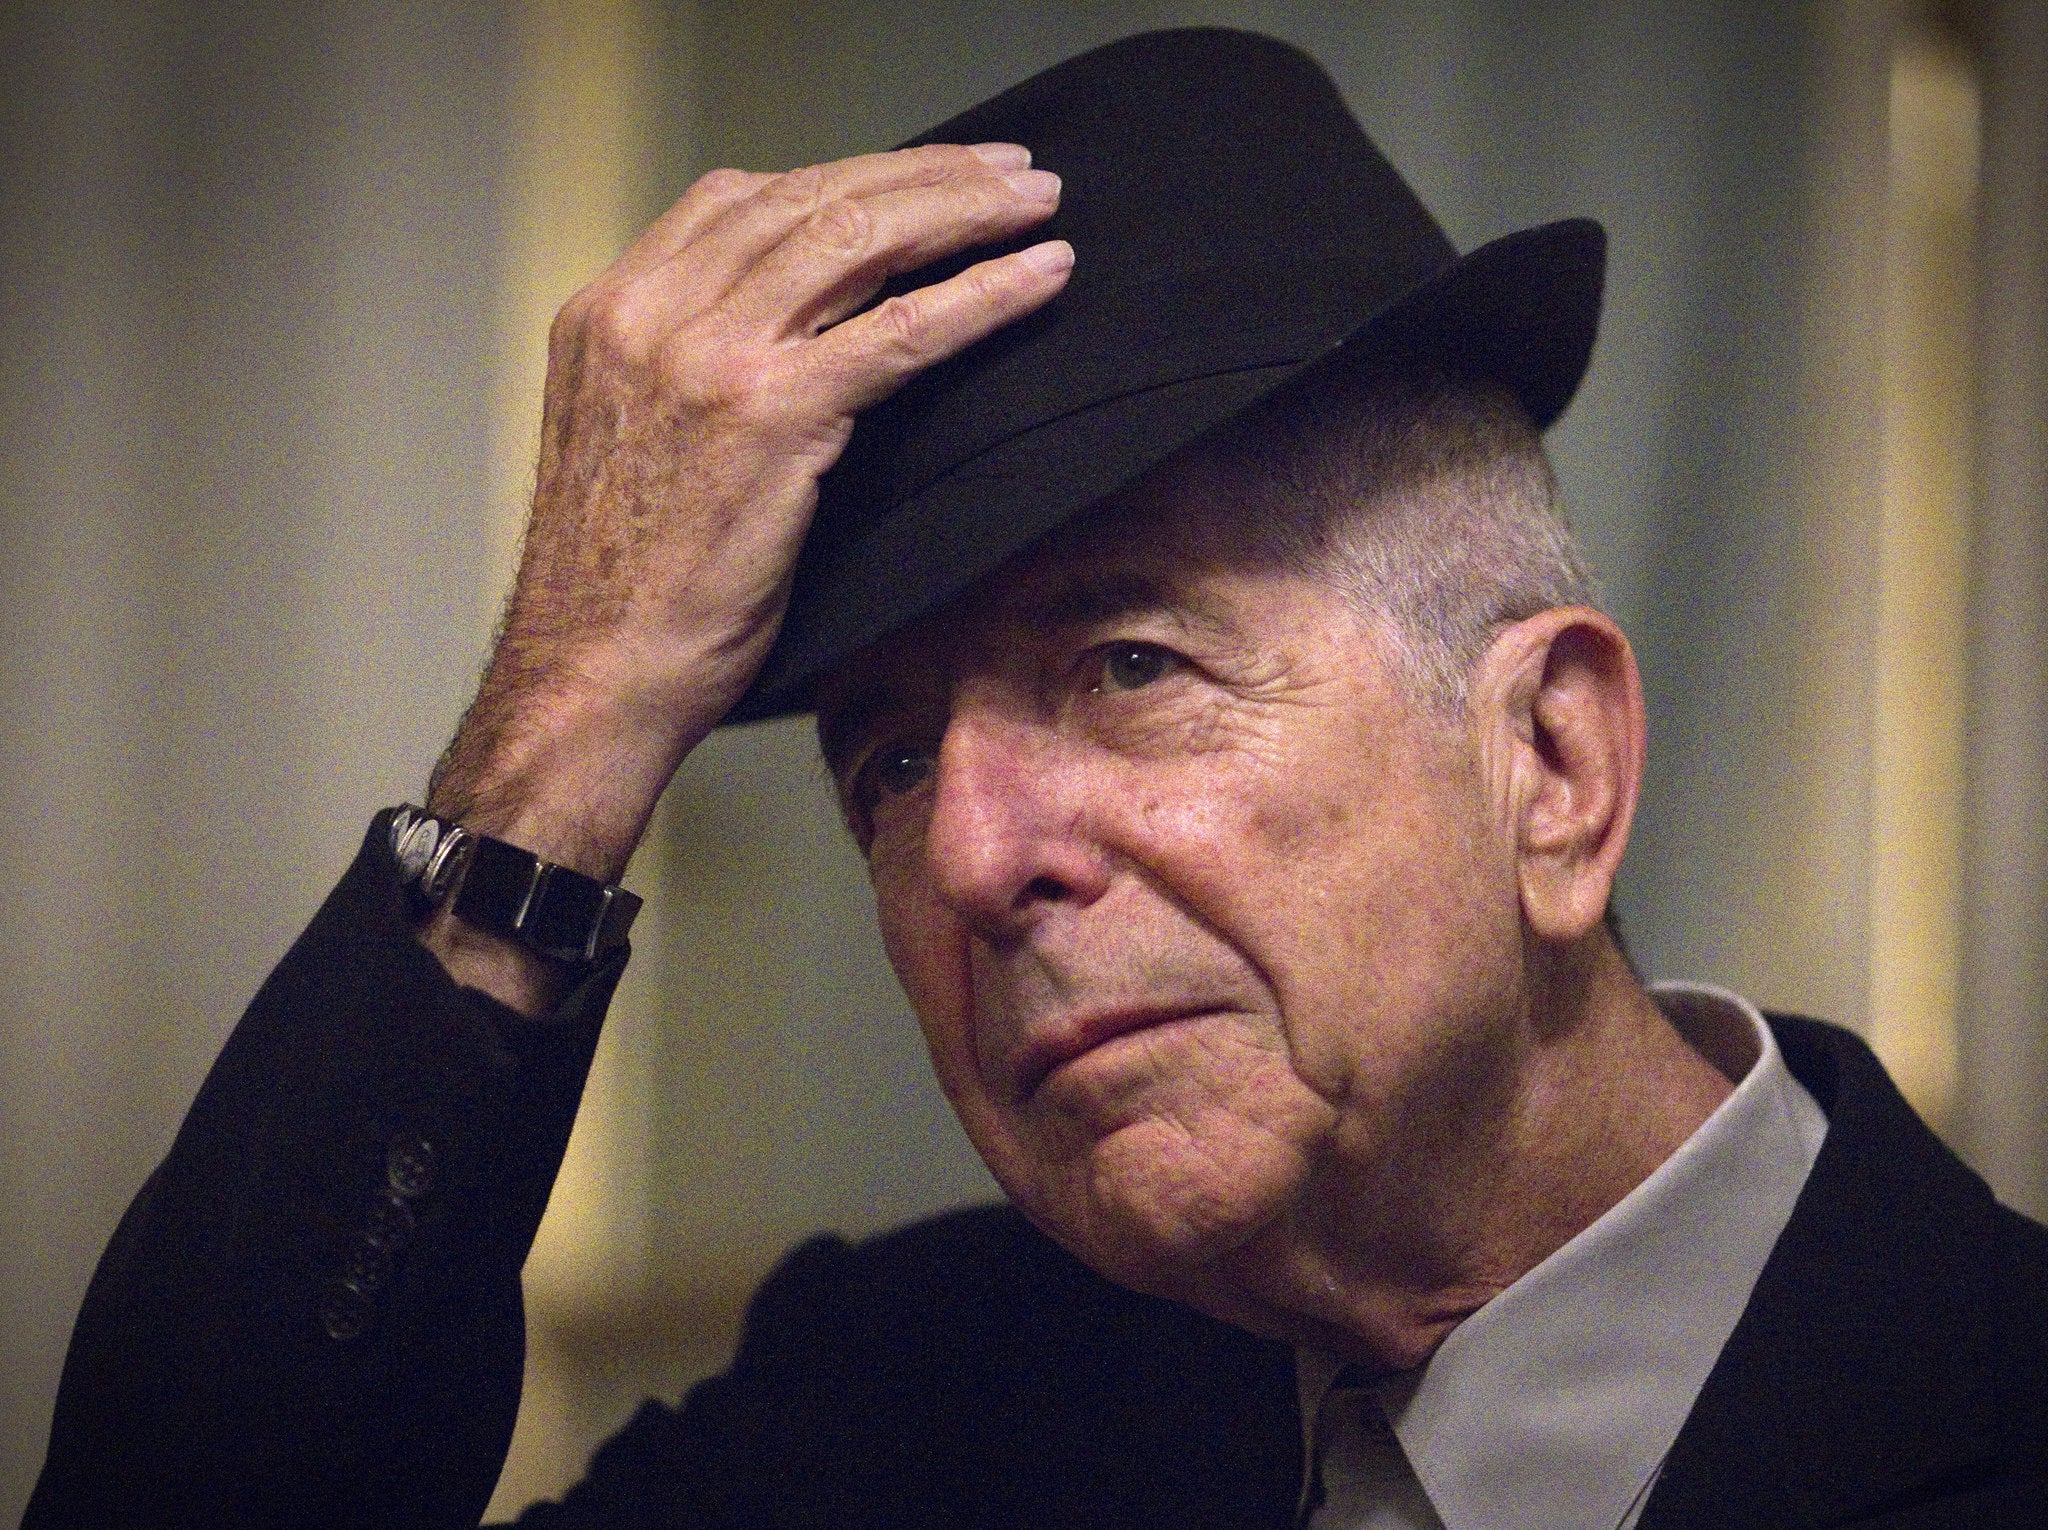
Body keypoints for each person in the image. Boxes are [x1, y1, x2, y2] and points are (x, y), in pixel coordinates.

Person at [26, 27, 2048, 1530]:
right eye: (888, 765)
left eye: (1130, 663)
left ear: (1551, 762)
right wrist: (567, 714)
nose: (972, 858)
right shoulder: (889, 1421)